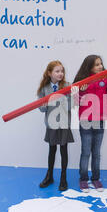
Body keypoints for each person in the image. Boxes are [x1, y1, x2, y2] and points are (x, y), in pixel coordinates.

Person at [73, 55, 107, 192]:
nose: (100, 66)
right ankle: (83, 179)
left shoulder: (106, 78)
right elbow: (76, 101)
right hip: (85, 120)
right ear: (89, 67)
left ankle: (96, 179)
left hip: (100, 120)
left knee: (96, 152)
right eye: (96, 64)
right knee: (85, 152)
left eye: (101, 63)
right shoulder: (81, 81)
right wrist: (82, 90)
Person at [37, 61, 74, 191]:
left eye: (62, 71)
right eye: (57, 71)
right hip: (51, 125)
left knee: (64, 150)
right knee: (52, 150)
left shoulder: (68, 86)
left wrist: (60, 99)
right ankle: (49, 176)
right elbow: (42, 110)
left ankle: (63, 178)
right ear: (49, 73)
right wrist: (44, 105)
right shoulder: (44, 88)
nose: (60, 74)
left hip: (63, 124)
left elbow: (71, 106)